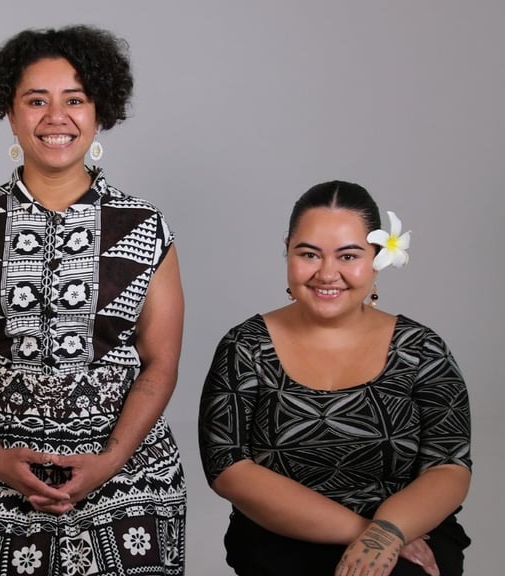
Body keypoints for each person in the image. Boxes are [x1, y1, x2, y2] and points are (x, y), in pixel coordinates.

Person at [0, 25, 186, 576]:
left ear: (99, 112)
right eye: (36, 101)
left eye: (75, 100)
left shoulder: (145, 227)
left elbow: (161, 362)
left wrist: (109, 461)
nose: (56, 117)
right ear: (10, 114)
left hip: (124, 484)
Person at [198, 180, 472, 576]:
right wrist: (370, 536)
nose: (327, 273)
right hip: (280, 538)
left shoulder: (422, 349)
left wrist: (393, 529)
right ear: (288, 251)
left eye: (348, 256)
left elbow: (449, 466)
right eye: (309, 254)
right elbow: (227, 467)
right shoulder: (246, 347)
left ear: (376, 258)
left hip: (410, 530)